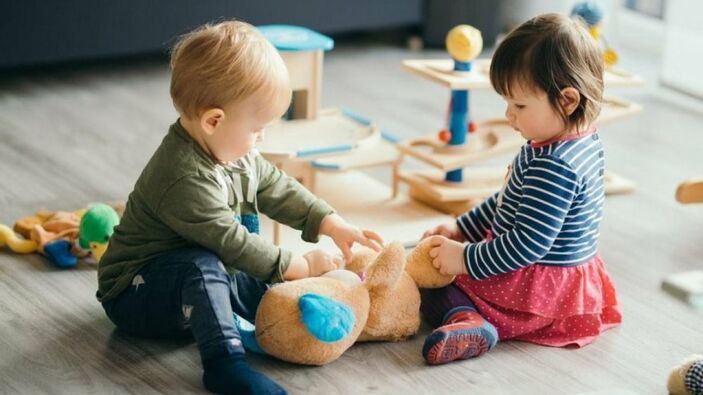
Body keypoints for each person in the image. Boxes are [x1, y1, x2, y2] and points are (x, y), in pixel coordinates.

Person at [96, 20, 383, 394]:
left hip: (197, 269)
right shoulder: (182, 176)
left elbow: (276, 186)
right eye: (257, 128)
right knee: (210, 264)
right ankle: (224, 364)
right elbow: (232, 243)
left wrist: (329, 222)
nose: (262, 137)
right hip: (136, 295)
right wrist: (296, 265)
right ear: (214, 120)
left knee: (245, 255)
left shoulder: (235, 153)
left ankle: (290, 320)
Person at [419, 13, 622, 365]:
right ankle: (473, 313)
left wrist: (464, 258)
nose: (509, 115)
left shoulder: (555, 164)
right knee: (441, 263)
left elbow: (526, 244)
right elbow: (509, 199)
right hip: (564, 283)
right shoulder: (573, 140)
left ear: (568, 101)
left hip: (536, 289)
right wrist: (463, 227)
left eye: (520, 105)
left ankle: (470, 320)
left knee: (432, 284)